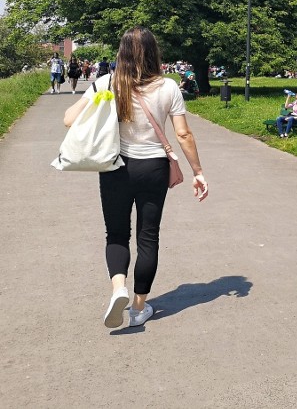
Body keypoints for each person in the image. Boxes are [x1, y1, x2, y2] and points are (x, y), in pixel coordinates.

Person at [62, 27, 209, 329]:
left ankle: (119, 288)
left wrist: (97, 98)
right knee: (148, 236)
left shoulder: (107, 82)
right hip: (153, 167)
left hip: (115, 164)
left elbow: (68, 119)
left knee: (116, 234)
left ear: (122, 52)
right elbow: (182, 133)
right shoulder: (168, 87)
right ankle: (139, 308)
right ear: (155, 52)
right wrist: (198, 172)